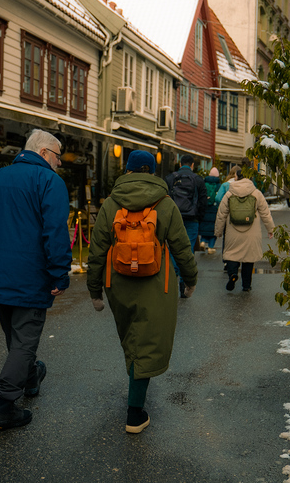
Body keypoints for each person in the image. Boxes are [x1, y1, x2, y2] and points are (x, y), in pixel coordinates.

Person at [0, 129, 72, 431]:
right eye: (58, 157)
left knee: (16, 338)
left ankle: (30, 377)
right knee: (23, 343)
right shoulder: (50, 182)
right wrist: (59, 272)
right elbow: (55, 231)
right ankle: (4, 404)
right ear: (44, 152)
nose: (60, 163)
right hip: (31, 276)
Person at [86, 150, 197, 434]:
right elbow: (182, 247)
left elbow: (97, 250)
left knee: (132, 336)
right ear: (151, 171)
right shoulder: (165, 203)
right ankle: (134, 412)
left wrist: (95, 291)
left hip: (117, 284)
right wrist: (190, 279)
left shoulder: (111, 204)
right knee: (147, 341)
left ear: (128, 171)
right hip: (156, 284)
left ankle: (135, 388)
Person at [214, 167, 275, 292]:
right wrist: (270, 229)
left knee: (232, 255)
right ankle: (246, 285)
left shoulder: (229, 193)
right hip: (251, 232)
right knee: (248, 258)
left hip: (233, 231)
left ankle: (232, 275)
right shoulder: (256, 193)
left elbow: (221, 214)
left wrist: (218, 231)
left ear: (236, 177)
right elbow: (265, 213)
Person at [165, 154, 207, 296]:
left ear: (179, 163)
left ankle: (170, 281)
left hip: (173, 219)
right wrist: (198, 218)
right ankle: (184, 284)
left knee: (172, 249)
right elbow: (203, 202)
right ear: (192, 165)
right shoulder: (198, 180)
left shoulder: (170, 178)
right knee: (187, 251)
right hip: (191, 220)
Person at [198, 167, 221, 254]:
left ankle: (203, 241)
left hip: (205, 208)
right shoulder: (218, 185)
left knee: (204, 226)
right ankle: (211, 247)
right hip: (214, 209)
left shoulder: (204, 183)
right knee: (213, 229)